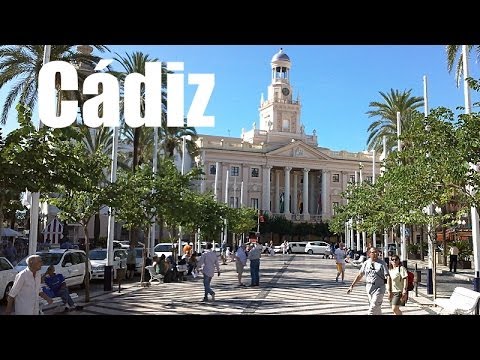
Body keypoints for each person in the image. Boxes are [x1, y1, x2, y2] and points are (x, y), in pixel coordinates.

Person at [346, 247, 390, 315]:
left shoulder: (382, 263)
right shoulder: (366, 263)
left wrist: (388, 288)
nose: (375, 254)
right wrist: (352, 286)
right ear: (369, 254)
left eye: (376, 252)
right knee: (377, 309)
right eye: (373, 252)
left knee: (372, 310)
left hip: (379, 288)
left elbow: (386, 277)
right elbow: (360, 275)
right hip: (369, 287)